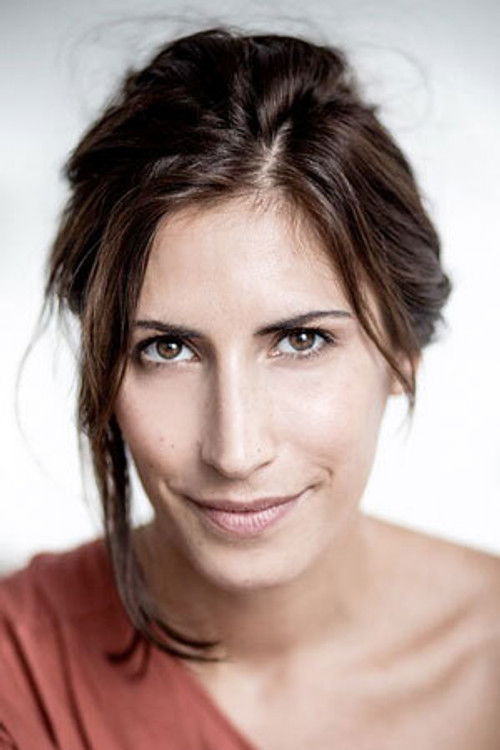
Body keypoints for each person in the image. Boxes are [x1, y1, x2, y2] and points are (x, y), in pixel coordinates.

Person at [1, 25, 499, 750]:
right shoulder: (19, 678)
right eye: (167, 349)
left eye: (301, 340)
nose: (234, 452)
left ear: (401, 352)